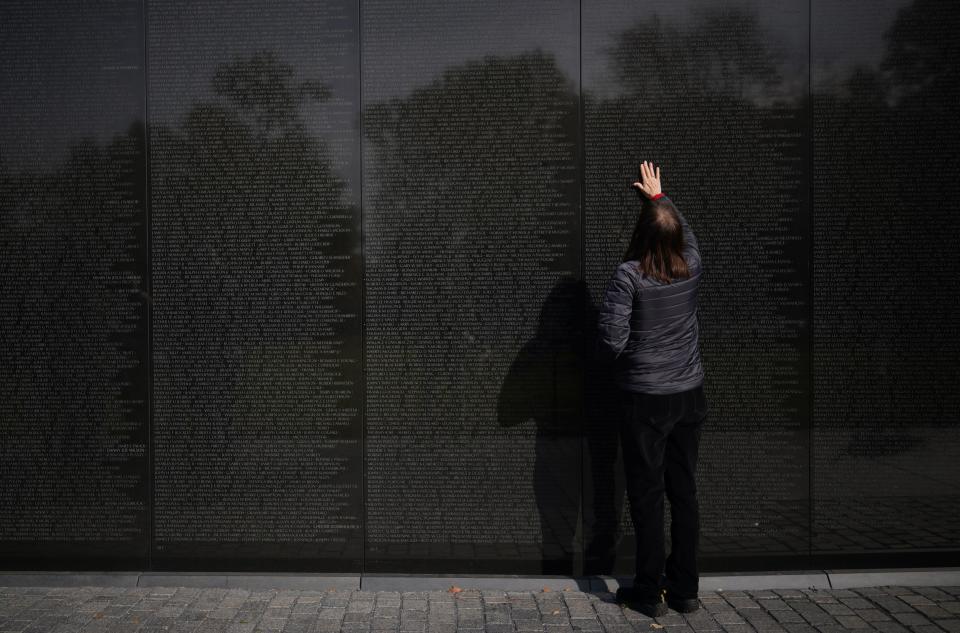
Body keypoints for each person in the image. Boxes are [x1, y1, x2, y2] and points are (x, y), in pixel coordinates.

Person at [596, 161, 708, 618]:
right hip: (689, 397)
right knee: (683, 492)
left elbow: (611, 341)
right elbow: (690, 236)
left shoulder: (629, 277)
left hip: (646, 400)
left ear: (642, 235)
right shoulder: (693, 265)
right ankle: (684, 590)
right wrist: (659, 199)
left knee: (646, 496)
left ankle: (647, 591)